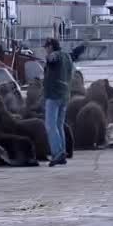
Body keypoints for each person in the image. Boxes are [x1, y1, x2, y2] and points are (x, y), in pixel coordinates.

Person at [43, 38, 74, 167]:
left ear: (51, 46)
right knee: (59, 124)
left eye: (46, 47)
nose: (45, 49)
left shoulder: (55, 55)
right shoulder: (67, 57)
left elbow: (52, 59)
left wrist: (49, 57)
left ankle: (57, 152)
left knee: (50, 125)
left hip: (54, 95)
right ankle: (62, 152)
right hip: (65, 95)